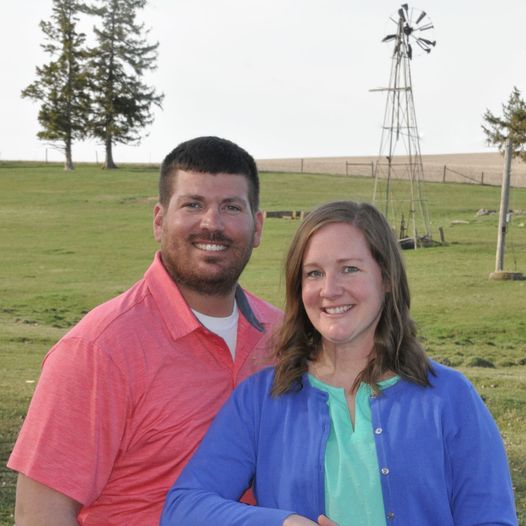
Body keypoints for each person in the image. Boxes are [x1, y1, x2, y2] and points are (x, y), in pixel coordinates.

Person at [161, 200, 518, 526]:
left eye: (349, 269)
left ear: (388, 279)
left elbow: (491, 518)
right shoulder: (260, 400)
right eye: (314, 273)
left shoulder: (451, 398)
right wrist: (281, 524)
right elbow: (184, 507)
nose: (330, 290)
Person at [8, 136, 282, 525]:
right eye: (192, 204)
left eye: (231, 207)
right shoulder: (98, 349)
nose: (212, 223)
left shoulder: (284, 335)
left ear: (256, 227)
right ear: (159, 220)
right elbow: (41, 513)